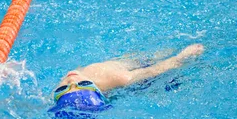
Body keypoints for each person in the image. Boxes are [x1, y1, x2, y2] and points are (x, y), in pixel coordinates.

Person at [49, 43, 204, 113]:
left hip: (126, 62)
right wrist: (183, 56)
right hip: (140, 69)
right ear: (95, 88)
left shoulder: (56, 95)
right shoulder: (119, 78)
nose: (71, 80)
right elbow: (154, 70)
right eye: (83, 84)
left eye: (63, 88)